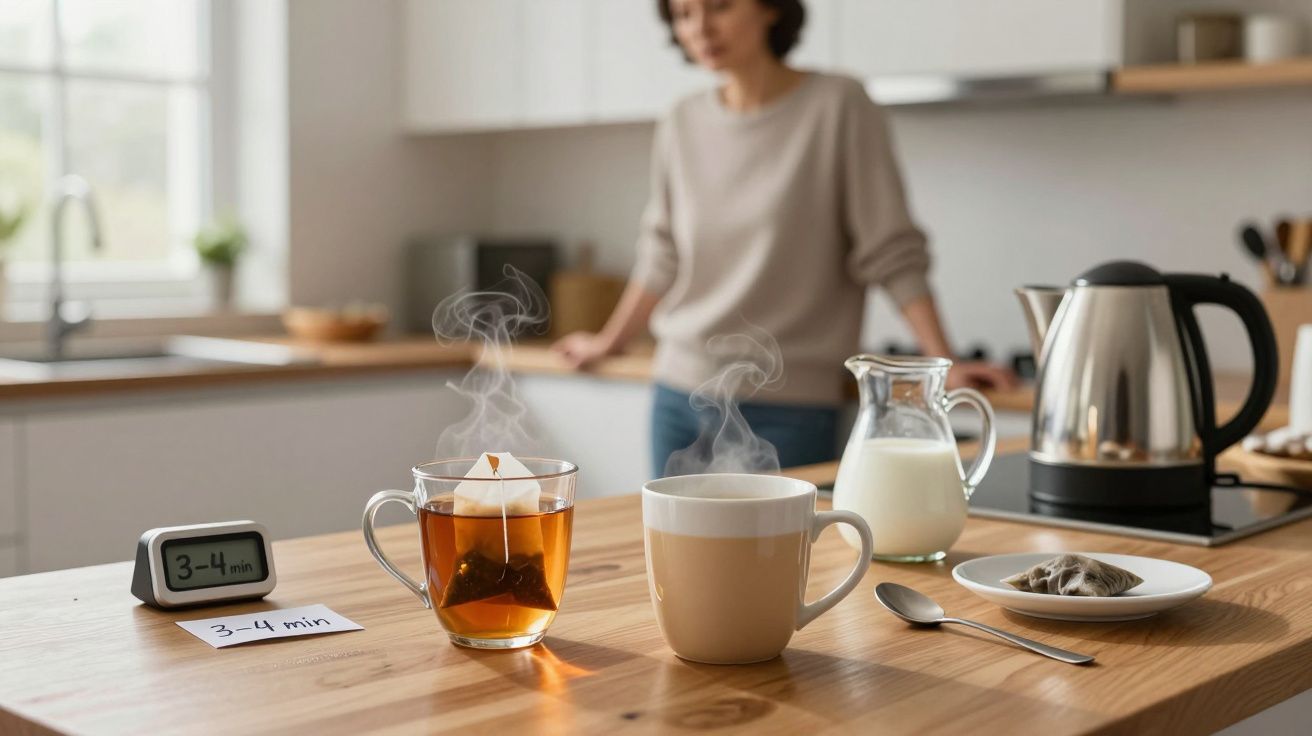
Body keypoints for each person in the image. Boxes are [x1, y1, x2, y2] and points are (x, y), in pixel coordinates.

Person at [553, 0, 1017, 476]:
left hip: (791, 405)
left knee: (784, 551)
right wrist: (610, 341)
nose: (701, 28)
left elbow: (891, 252)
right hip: (679, 392)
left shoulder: (838, 105)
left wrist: (945, 362)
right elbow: (662, 252)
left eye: (720, 7)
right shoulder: (682, 120)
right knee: (671, 551)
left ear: (770, 8)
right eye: (684, 14)